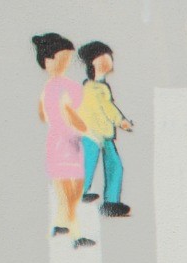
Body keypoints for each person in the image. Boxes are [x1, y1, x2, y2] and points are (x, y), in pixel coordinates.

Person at [32, 33, 91, 249]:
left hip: (66, 141)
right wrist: (77, 122)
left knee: (71, 188)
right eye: (61, 58)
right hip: (63, 141)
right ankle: (75, 233)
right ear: (47, 60)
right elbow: (63, 112)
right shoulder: (58, 87)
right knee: (69, 189)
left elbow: (43, 114)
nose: (65, 62)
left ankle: (61, 223)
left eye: (67, 58)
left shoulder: (57, 86)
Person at [77, 42, 132, 218]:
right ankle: (80, 194)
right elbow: (107, 107)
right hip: (92, 134)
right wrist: (120, 121)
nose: (109, 61)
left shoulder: (100, 86)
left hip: (103, 134)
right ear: (94, 62)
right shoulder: (93, 88)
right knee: (89, 164)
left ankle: (111, 202)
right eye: (104, 58)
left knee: (113, 165)